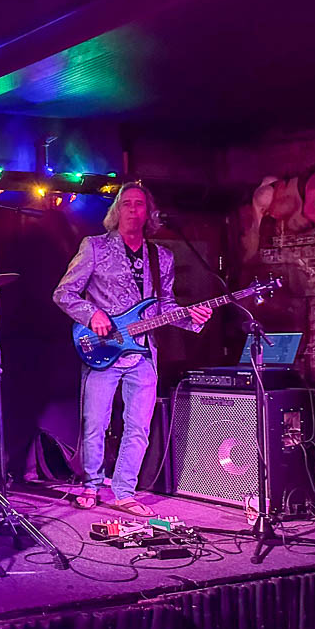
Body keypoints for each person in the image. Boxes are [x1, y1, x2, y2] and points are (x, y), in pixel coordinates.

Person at [52, 182, 213, 516]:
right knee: (95, 422)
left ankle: (124, 489)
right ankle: (90, 485)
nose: (133, 210)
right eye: (126, 204)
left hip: (143, 352)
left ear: (148, 213)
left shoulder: (162, 256)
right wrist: (92, 313)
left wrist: (191, 317)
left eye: (139, 204)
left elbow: (163, 306)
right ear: (116, 211)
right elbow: (64, 293)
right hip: (102, 348)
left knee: (138, 425)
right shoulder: (94, 247)